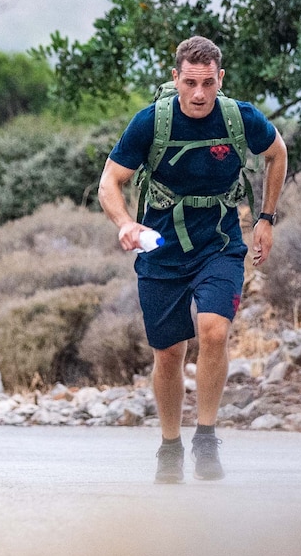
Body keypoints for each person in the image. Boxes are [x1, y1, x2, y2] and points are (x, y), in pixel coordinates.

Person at [98, 36, 286, 482]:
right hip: (161, 248)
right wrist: (126, 223)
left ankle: (205, 436)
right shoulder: (151, 123)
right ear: (175, 79)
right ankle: (169, 445)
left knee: (214, 331)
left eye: (208, 83)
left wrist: (266, 217)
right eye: (190, 83)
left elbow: (277, 154)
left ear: (220, 79)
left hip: (219, 242)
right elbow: (110, 182)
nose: (199, 94)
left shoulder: (240, 118)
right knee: (169, 353)